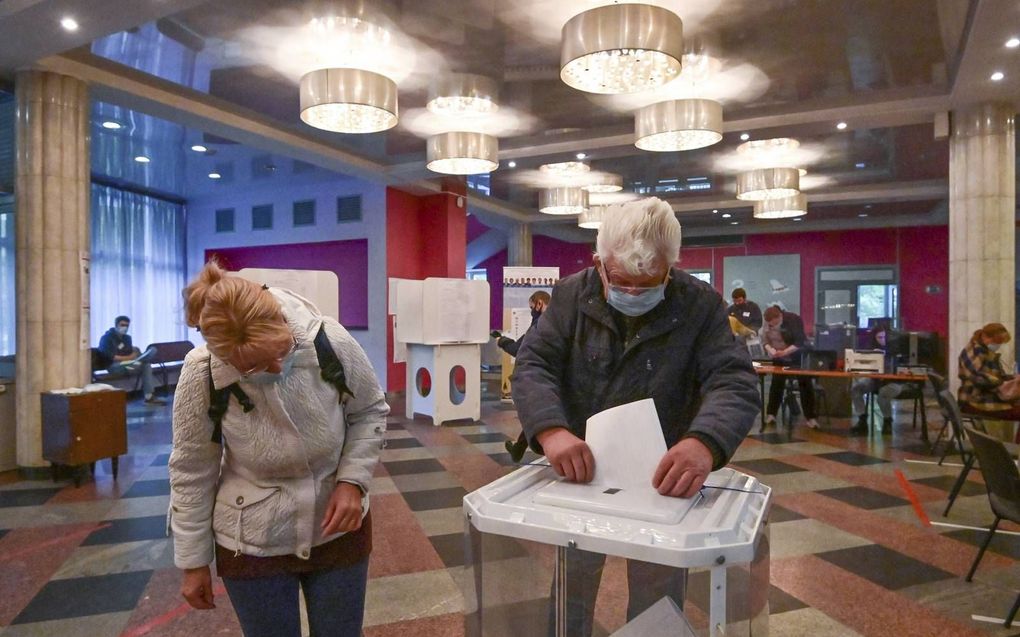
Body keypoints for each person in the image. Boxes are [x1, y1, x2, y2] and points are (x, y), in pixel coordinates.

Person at [510, 197, 759, 636]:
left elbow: (733, 381)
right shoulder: (572, 294)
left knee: (658, 592)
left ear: (672, 267)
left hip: (664, 476)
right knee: (571, 586)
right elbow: (533, 365)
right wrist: (550, 430)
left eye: (650, 284)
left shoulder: (699, 304)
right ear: (599, 264)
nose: (634, 294)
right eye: (622, 282)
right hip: (582, 469)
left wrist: (704, 442)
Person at [168, 261, 389, 637]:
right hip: (251, 541)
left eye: (281, 352)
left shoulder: (329, 340)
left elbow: (369, 411)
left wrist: (352, 482)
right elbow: (191, 470)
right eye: (254, 367)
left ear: (283, 325)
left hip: (336, 530)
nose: (275, 366)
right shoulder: (202, 371)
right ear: (225, 358)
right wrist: (192, 562)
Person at [490, 290, 551, 461]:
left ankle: (524, 448)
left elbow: (519, 349)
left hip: (542, 375)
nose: (531, 310)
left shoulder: (540, 324)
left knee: (535, 412)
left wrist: (500, 341)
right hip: (554, 375)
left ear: (539, 303)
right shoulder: (558, 319)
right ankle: (518, 448)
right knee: (536, 412)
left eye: (532, 307)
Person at [761, 305, 820, 430]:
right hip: (778, 357)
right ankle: (771, 414)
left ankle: (811, 418)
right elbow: (764, 341)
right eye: (770, 324)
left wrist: (785, 352)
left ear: (779, 317)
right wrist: (771, 350)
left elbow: (799, 342)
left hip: (797, 356)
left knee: (804, 383)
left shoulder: (794, 320)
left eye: (774, 324)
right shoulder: (767, 323)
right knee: (776, 383)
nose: (772, 326)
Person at [849, 324, 905, 435]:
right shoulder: (870, 348)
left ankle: (887, 421)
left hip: (893, 381)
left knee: (883, 394)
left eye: (884, 337)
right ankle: (862, 420)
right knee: (856, 389)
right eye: (879, 338)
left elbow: (898, 369)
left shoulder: (894, 349)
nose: (882, 340)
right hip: (875, 380)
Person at [97, 315, 165, 405]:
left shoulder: (127, 338)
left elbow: (129, 352)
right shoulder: (107, 338)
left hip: (129, 366)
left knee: (146, 365)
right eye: (122, 325)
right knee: (137, 363)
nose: (124, 328)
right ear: (116, 325)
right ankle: (140, 360)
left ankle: (149, 397)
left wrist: (133, 354)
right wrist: (129, 358)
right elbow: (111, 357)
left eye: (127, 325)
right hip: (114, 367)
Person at [958, 322, 1020, 419]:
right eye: (997, 341)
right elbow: (979, 379)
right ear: (985, 337)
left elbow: (993, 376)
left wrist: (1012, 378)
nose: (998, 345)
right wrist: (1004, 383)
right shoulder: (976, 352)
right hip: (975, 400)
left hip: (980, 397)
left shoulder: (983, 350)